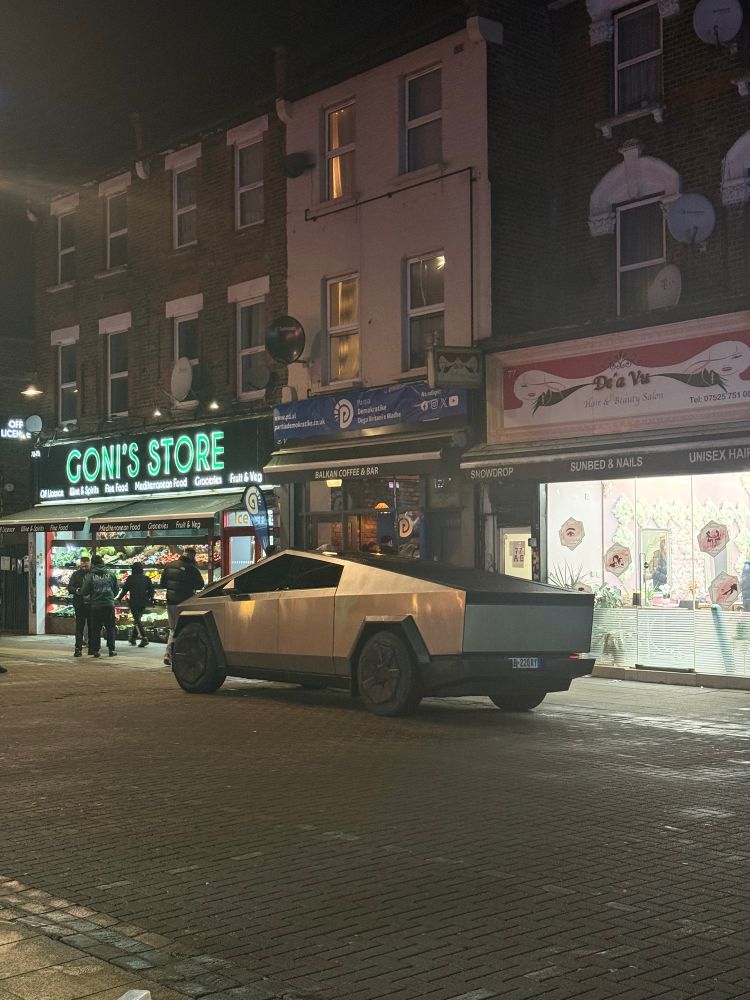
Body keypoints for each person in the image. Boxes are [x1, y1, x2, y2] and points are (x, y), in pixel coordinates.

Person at [159, 547, 204, 666]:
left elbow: (162, 583)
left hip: (170, 602)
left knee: (173, 629)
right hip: (185, 602)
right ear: (192, 556)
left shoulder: (169, 565)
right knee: (183, 629)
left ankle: (170, 653)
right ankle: (175, 654)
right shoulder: (191, 568)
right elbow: (200, 585)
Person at [80, 555, 119, 658]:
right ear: (102, 562)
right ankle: (111, 649)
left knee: (96, 628)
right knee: (110, 627)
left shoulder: (90, 576)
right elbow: (116, 589)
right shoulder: (111, 574)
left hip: (96, 605)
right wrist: (110, 597)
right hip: (109, 605)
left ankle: (96, 650)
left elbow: (84, 591)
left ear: (92, 564)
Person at [118, 563, 155, 647]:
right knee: (138, 619)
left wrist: (119, 598)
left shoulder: (131, 578)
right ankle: (133, 638)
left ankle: (144, 637)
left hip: (134, 602)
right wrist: (149, 599)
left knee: (137, 619)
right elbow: (151, 590)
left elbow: (125, 589)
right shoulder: (147, 578)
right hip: (143, 602)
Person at [68, 554, 92, 657]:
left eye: (86, 566)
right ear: (80, 565)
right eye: (83, 566)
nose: (84, 568)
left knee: (91, 627)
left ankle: (91, 648)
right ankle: (78, 649)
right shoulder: (75, 575)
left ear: (90, 564)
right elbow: (70, 587)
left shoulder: (92, 574)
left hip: (91, 605)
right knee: (79, 628)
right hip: (79, 604)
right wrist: (76, 590)